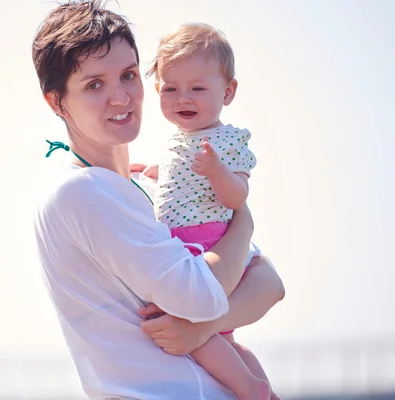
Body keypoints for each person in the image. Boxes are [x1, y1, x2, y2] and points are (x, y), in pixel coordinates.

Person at [32, 1, 285, 399]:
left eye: (128, 75)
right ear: (56, 101)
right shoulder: (79, 191)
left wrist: (200, 328)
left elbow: (269, 284)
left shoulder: (153, 187)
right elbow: (199, 296)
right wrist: (244, 222)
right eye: (94, 84)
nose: (120, 97)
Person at [131, 23, 278, 400]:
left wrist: (217, 172)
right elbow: (181, 176)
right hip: (191, 242)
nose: (184, 98)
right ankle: (264, 389)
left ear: (227, 92)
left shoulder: (227, 141)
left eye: (198, 88)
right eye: (171, 89)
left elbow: (236, 196)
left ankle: (248, 387)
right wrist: (154, 171)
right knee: (222, 337)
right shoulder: (178, 142)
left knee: (190, 328)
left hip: (209, 240)